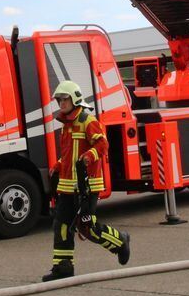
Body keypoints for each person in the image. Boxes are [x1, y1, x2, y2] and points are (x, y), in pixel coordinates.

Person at [41, 80, 131, 282]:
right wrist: (59, 164)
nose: (61, 103)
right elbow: (70, 154)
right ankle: (63, 267)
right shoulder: (66, 124)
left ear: (74, 99)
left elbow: (102, 144)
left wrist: (89, 156)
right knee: (61, 226)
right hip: (67, 187)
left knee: (87, 226)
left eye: (64, 99)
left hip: (86, 186)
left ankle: (120, 242)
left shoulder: (87, 121)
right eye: (59, 100)